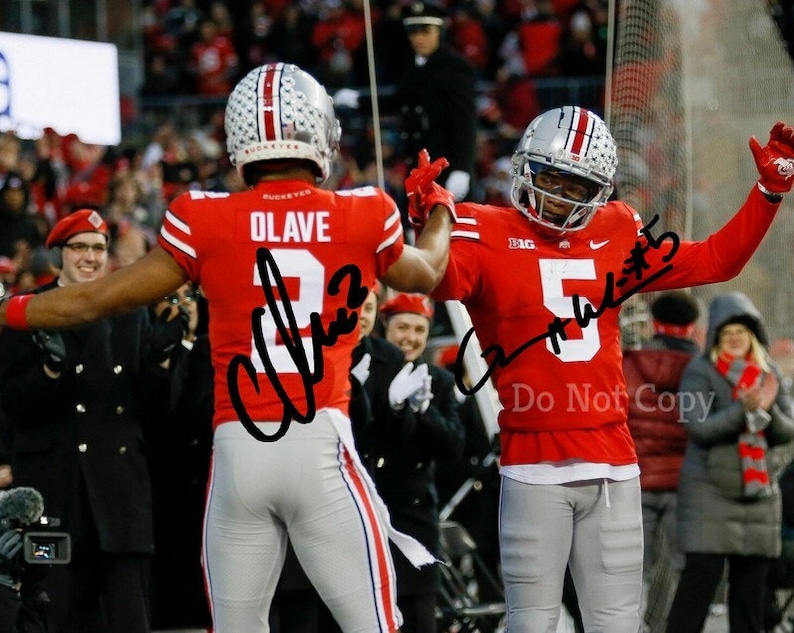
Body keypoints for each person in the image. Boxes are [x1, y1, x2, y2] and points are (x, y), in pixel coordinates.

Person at [0, 62, 455, 632]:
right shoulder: (364, 211)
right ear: (320, 133)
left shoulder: (204, 216)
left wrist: (9, 309)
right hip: (320, 445)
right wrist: (436, 206)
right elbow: (431, 270)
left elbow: (96, 300)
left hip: (239, 453)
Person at [407, 105, 794, 631]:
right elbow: (431, 280)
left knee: (616, 622)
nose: (560, 196)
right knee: (533, 622)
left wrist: (767, 195)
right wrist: (431, 219)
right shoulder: (484, 225)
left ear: (600, 192)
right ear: (524, 168)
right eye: (549, 177)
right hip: (533, 460)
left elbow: (716, 261)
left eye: (577, 186)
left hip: (613, 460)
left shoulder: (615, 228)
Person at [0, 209, 185, 633]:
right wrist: (47, 373)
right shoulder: (29, 311)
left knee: (129, 615)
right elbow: (11, 405)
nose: (90, 257)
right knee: (49, 608)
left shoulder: (131, 312)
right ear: (58, 254)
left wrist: (162, 361)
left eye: (99, 249)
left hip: (121, 504)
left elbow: (158, 412)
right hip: (52, 500)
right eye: (79, 247)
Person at [665, 291, 794, 633]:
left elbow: (786, 431)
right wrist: (743, 410)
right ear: (716, 337)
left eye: (741, 332)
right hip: (709, 493)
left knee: (749, 597)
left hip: (759, 497)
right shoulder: (700, 370)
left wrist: (766, 410)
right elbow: (698, 427)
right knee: (698, 588)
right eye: (727, 333)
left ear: (754, 336)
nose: (735, 338)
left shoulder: (769, 374)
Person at [360, 292, 463, 633]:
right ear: (385, 327)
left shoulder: (440, 380)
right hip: (373, 508)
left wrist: (424, 412)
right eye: (402, 327)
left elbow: (454, 446)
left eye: (419, 330)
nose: (411, 337)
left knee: (420, 616)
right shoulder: (368, 371)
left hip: (416, 516)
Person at [335, 0, 477, 203]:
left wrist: (462, 168)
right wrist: (359, 100)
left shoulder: (455, 68)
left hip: (445, 165)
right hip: (418, 165)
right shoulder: (413, 67)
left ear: (439, 31)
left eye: (426, 31)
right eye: (414, 32)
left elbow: (465, 122)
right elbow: (398, 101)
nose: (419, 38)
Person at [622, 290, 701, 629]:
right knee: (681, 567)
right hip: (687, 482)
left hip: (638, 477)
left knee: (634, 565)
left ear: (655, 322)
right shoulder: (703, 368)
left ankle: (631, 626)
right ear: (692, 326)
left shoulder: (630, 364)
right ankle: (664, 625)